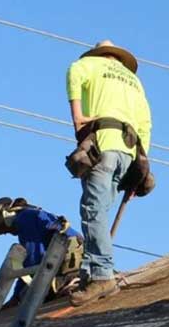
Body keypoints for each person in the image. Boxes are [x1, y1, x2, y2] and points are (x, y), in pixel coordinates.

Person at [63, 40, 153, 306]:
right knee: (100, 210)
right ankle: (92, 270)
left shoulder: (88, 64)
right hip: (129, 152)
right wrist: (141, 164)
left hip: (103, 145)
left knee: (92, 210)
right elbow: (146, 122)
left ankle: (101, 275)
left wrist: (77, 116)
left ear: (99, 54)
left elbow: (73, 73)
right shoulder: (135, 82)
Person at [0, 197, 85, 304]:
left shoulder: (24, 218)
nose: (8, 232)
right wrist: (17, 295)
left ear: (8, 215)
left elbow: (34, 258)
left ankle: (70, 280)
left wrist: (17, 297)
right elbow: (27, 265)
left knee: (31, 294)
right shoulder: (29, 215)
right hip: (71, 252)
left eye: (4, 228)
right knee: (27, 293)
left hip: (70, 256)